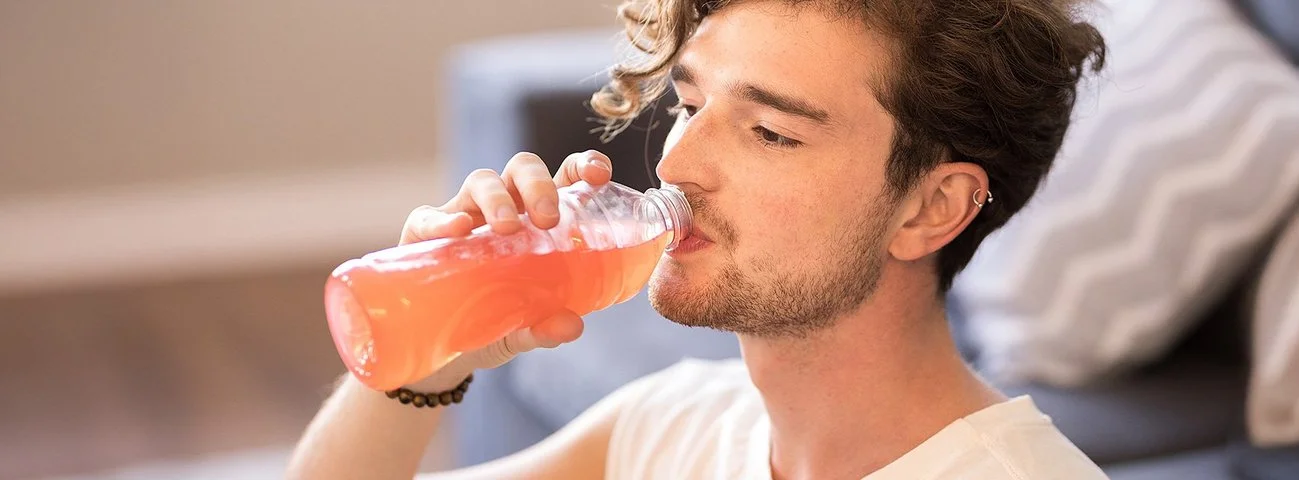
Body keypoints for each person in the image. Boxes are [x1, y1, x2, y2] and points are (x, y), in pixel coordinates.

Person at [290, 0, 1108, 478]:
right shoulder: (676, 423)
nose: (676, 162)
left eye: (770, 133)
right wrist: (426, 365)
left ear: (932, 208)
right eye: (689, 104)